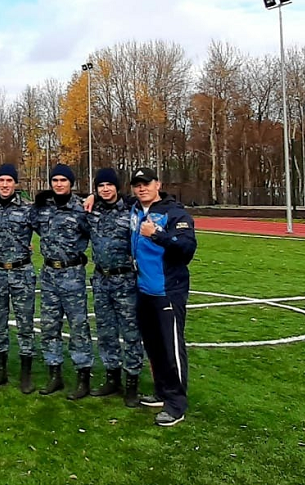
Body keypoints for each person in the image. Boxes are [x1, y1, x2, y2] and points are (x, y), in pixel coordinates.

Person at [129, 167, 196, 427]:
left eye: (146, 183)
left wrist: (156, 235)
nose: (142, 188)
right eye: (137, 185)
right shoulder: (135, 208)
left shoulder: (174, 213)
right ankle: (161, 390)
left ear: (158, 184)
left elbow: (187, 248)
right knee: (154, 346)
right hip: (144, 289)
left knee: (171, 347)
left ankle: (176, 403)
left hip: (167, 290)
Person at [34, 164, 93, 400]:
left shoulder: (82, 209)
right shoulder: (42, 208)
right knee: (49, 326)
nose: (58, 184)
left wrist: (94, 196)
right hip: (49, 274)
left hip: (72, 274)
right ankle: (54, 373)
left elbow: (96, 228)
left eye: (63, 180)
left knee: (78, 327)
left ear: (71, 183)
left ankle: (82, 376)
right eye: (55, 180)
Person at [86, 168, 144, 407]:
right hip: (101, 280)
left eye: (109, 185)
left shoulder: (132, 210)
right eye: (100, 186)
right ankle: (112, 377)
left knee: (131, 333)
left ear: (117, 187)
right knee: (107, 332)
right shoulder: (92, 211)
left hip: (126, 280)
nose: (105, 189)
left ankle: (132, 382)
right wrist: (90, 197)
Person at [0, 164, 38, 393]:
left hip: (21, 272)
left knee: (25, 324)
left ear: (16, 184)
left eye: (9, 181)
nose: (5, 185)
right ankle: (1, 370)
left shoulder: (28, 209)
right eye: (1, 180)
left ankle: (26, 374)